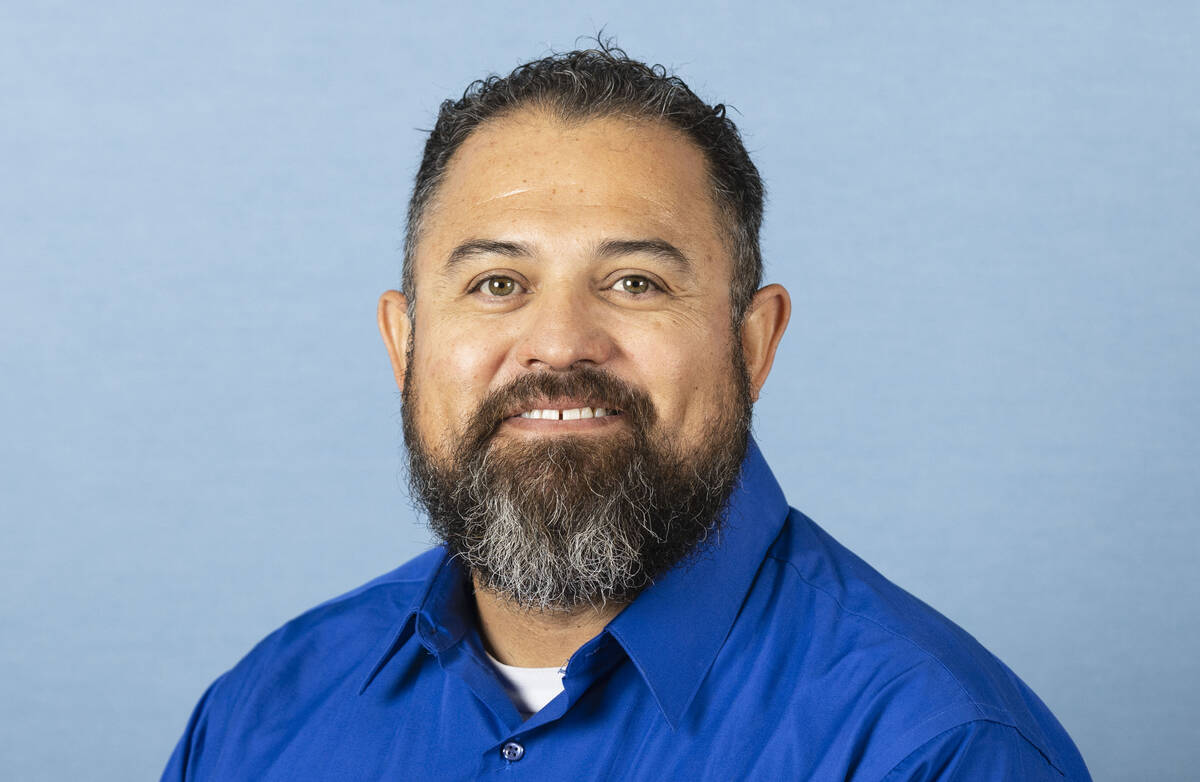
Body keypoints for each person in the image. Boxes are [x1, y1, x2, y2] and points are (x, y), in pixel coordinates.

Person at [162, 44, 1091, 780]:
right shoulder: (260, 718)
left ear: (753, 342)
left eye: (635, 281)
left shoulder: (934, 750)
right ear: (403, 344)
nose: (560, 342)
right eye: (497, 283)